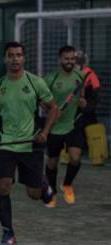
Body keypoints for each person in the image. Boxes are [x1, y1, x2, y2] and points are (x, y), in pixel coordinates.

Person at [0, 42, 57, 245]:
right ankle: (8, 233)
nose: (15, 59)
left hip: (30, 145)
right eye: (10, 55)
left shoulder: (36, 83)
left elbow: (53, 109)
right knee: (3, 185)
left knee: (33, 195)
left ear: (24, 58)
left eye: (18, 55)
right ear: (5, 59)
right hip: (6, 143)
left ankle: (42, 185)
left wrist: (44, 132)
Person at [43, 45, 87, 207]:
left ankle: (67, 185)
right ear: (59, 59)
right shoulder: (50, 78)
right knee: (52, 162)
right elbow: (41, 101)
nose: (70, 62)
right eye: (66, 59)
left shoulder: (80, 76)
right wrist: (52, 110)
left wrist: (83, 102)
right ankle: (52, 191)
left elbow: (80, 95)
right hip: (54, 126)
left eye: (72, 59)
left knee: (75, 158)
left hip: (73, 123)